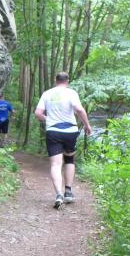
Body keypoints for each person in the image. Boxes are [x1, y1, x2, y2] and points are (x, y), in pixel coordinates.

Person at [34, 72, 92, 209]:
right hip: (70, 131)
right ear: (67, 81)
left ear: (56, 80)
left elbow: (38, 113)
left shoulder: (47, 93)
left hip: (53, 131)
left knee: (55, 164)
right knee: (69, 160)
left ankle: (59, 194)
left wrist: (48, 119)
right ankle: (68, 192)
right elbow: (79, 109)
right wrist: (87, 125)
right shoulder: (71, 93)